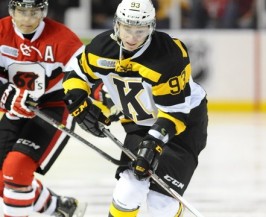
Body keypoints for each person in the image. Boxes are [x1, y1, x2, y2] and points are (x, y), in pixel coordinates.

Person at [63, 0, 208, 216]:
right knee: (128, 190)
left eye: (140, 31)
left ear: (151, 27)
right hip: (139, 126)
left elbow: (175, 114)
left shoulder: (168, 56)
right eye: (127, 29)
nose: (132, 38)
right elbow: (76, 72)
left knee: (162, 205)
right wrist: (78, 103)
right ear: (116, 24)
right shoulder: (102, 48)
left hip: (183, 127)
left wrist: (153, 145)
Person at [0, 0, 86, 216]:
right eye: (21, 12)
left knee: (16, 169)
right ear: (12, 10)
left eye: (34, 12)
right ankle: (58, 207)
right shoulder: (1, 32)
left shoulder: (64, 39)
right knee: (5, 177)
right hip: (16, 109)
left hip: (52, 108)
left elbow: (87, 77)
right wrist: (4, 95)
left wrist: (98, 99)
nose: (27, 20)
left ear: (43, 11)